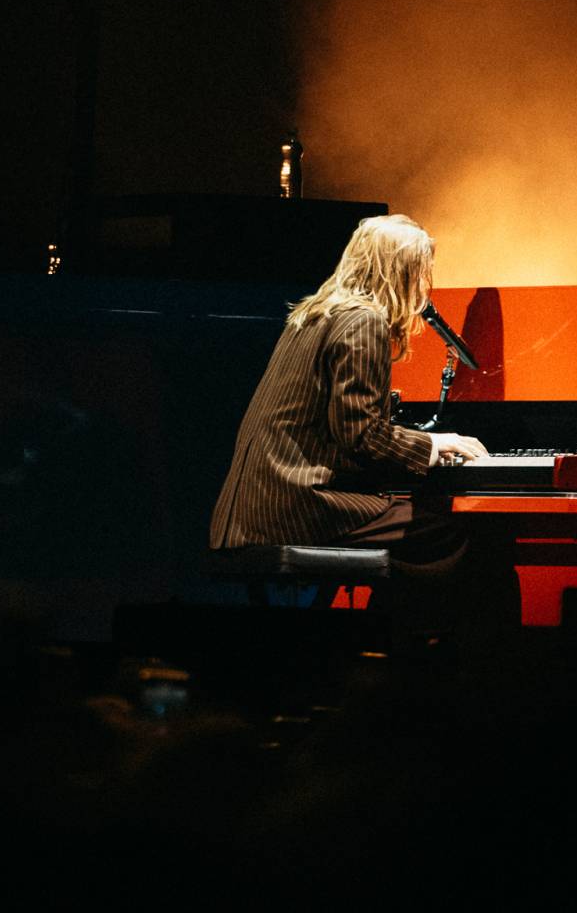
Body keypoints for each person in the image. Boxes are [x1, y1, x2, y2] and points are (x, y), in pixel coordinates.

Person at [210, 213, 518, 647]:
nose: (424, 286)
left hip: (256, 506)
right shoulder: (363, 321)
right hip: (299, 503)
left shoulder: (314, 313)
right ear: (402, 272)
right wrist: (435, 444)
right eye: (421, 273)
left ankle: (389, 646)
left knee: (417, 531)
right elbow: (362, 435)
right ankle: (432, 660)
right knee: (456, 539)